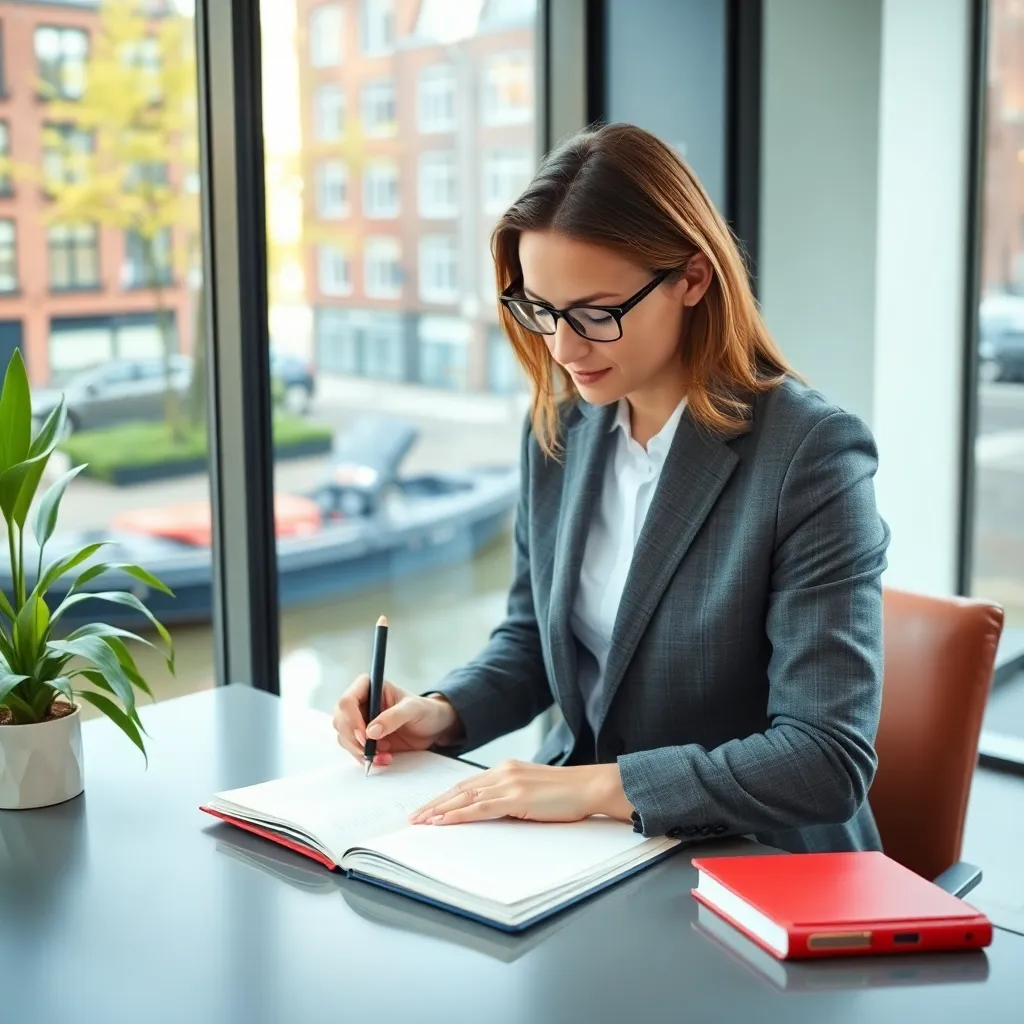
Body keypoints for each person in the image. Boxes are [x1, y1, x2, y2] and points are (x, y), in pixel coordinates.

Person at [332, 122, 890, 854]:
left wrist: (599, 785)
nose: (563, 349)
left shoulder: (809, 454)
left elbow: (825, 758)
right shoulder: (561, 430)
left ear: (692, 278)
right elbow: (535, 642)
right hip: (589, 848)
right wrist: (440, 712)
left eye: (597, 313)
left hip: (756, 864)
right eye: (541, 311)